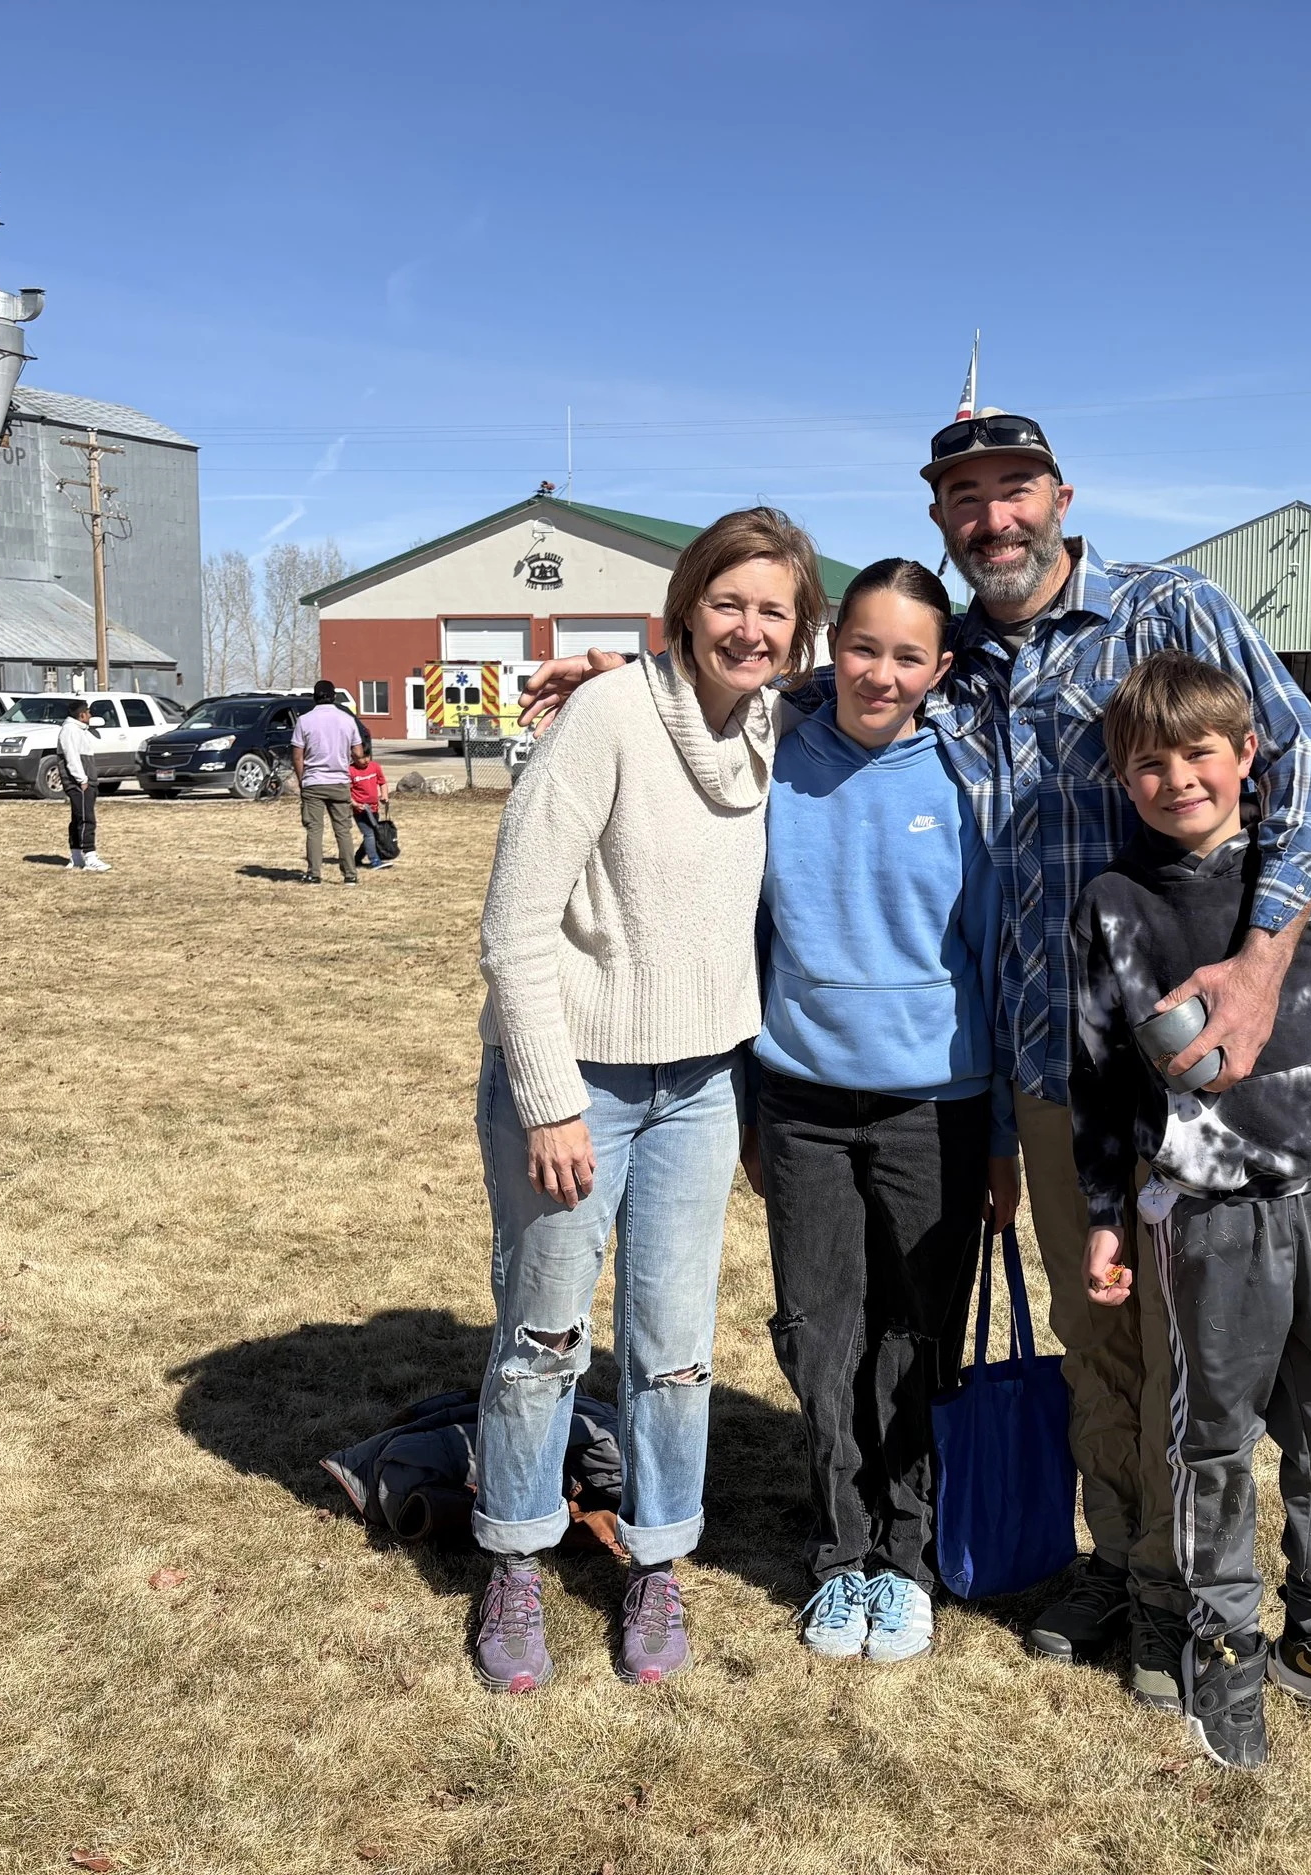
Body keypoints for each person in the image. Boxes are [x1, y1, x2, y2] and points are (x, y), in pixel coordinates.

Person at [523, 411, 1311, 1710]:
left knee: (1187, 1341)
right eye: (965, 499)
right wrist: (642, 684)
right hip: (1037, 1065)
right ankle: (1119, 1561)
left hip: (1177, 1060)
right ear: (938, 521)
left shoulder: (1163, 609)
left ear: (1063, 495)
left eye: (1014, 492)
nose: (994, 519)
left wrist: (1256, 968)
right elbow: (810, 687)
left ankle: (1190, 1592)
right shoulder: (948, 656)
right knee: (1096, 1337)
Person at [1071, 651, 1311, 1770]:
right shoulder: (1113, 906)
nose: (1176, 778)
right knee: (1212, 1442)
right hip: (1204, 1220)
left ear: (1246, 757)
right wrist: (1104, 1209)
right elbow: (1097, 1073)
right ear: (1119, 777)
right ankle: (1221, 1645)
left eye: (1199, 753)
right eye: (1148, 762)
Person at [472, 507, 823, 1695]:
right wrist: (548, 1100)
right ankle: (516, 1555)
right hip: (577, 1086)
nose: (751, 627)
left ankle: (657, 1559)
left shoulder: (778, 723)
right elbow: (514, 930)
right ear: (684, 607)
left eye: (774, 609)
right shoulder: (610, 719)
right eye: (728, 602)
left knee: (672, 1352)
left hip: (704, 1085)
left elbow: (869, 672)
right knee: (544, 1337)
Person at [743, 558, 1020, 1666]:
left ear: (938, 669)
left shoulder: (967, 782)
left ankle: (905, 1560)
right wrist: (754, 1110)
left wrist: (999, 1135)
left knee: (916, 1341)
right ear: (830, 650)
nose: (881, 672)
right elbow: (749, 939)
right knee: (819, 1340)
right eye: (863, 647)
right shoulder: (772, 763)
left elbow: (993, 963)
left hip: (937, 1108)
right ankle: (840, 1555)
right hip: (802, 1102)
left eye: (908, 655)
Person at [288, 679, 364, 885]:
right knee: (343, 830)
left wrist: (302, 780)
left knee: (314, 829)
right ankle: (350, 874)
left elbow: (297, 756)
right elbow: (358, 753)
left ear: (314, 696)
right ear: (333, 697)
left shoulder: (304, 720)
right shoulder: (347, 720)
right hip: (339, 781)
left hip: (313, 781)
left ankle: (314, 873)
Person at [58, 698, 108, 871]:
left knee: (79, 817)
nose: (90, 715)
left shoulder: (80, 730)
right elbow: (71, 757)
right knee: (86, 818)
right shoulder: (70, 730)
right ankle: (90, 856)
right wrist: (82, 779)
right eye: (88, 712)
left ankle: (77, 856)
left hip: (86, 780)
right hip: (79, 782)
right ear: (81, 715)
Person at [349, 740, 393, 868]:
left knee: (373, 833)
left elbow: (382, 782)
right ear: (353, 757)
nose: (366, 760)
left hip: (374, 809)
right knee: (369, 833)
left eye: (367, 756)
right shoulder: (350, 771)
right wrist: (354, 803)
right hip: (360, 810)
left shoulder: (375, 767)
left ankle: (356, 859)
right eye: (362, 758)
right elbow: (346, 791)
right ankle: (375, 861)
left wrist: (384, 795)